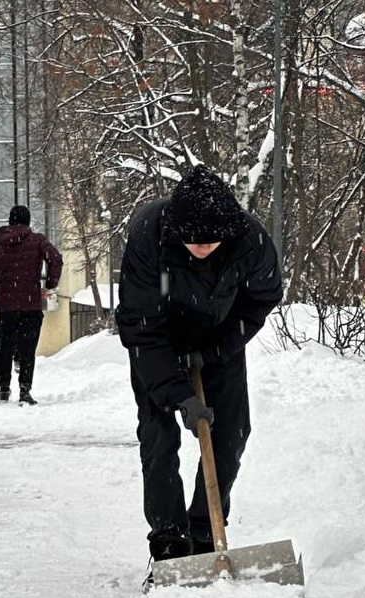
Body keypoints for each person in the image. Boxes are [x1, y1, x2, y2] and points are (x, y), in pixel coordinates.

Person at [114, 164, 282, 570]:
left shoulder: (251, 241)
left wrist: (215, 349)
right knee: (158, 437)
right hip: (157, 340)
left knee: (231, 432)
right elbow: (139, 324)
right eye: (194, 242)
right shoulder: (149, 234)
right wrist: (179, 395)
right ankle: (170, 542)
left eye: (212, 241)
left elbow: (261, 299)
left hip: (220, 339)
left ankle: (206, 530)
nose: (204, 247)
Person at [0, 204, 63, 405]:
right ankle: (25, 390)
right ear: (28, 220)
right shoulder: (37, 241)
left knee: (5, 345)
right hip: (30, 304)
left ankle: (4, 388)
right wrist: (49, 285)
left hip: (6, 306)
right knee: (27, 348)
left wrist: (4, 290)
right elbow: (55, 258)